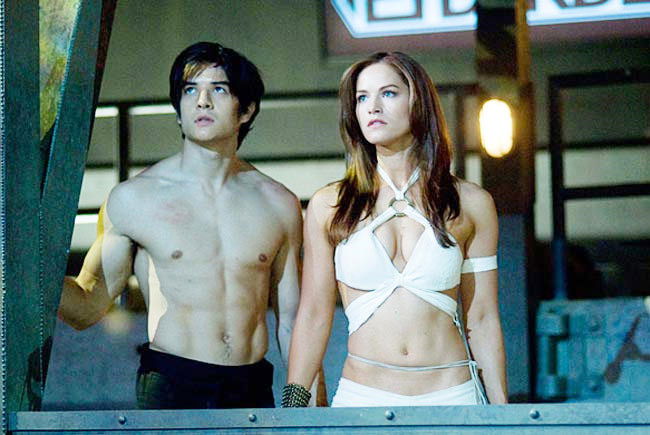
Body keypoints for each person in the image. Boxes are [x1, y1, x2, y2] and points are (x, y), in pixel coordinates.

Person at [59, 42, 303, 409]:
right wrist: (20, 266)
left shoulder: (278, 203)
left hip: (251, 387)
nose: (202, 102)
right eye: (190, 91)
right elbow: (87, 307)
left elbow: (293, 324)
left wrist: (307, 409)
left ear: (247, 110)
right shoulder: (133, 199)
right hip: (171, 383)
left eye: (218, 89)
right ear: (178, 109)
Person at [283, 52, 507, 407]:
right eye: (362, 98)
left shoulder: (470, 202)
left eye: (388, 93)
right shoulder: (330, 205)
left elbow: (481, 318)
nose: (372, 107)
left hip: (452, 396)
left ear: (418, 101)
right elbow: (313, 314)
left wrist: (502, 415)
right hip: (362, 398)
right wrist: (292, 407)